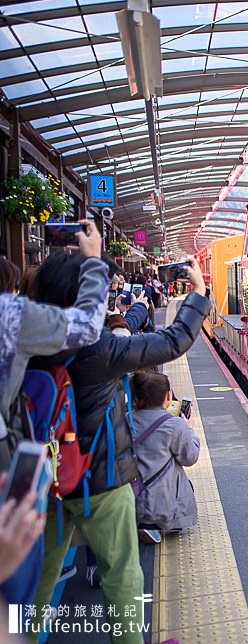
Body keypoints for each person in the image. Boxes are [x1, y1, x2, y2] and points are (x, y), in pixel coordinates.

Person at [29, 257, 209, 644]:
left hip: (46, 480)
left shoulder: (26, 341)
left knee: (40, 575)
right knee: (123, 574)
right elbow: (173, 340)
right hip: (101, 481)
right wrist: (198, 292)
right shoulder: (98, 348)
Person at [0, 221, 107, 614]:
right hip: (8, 464)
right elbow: (87, 327)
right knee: (15, 582)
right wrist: (93, 262)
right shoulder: (10, 315)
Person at [131, 372, 200, 538]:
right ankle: (168, 522)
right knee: (182, 480)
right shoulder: (174, 424)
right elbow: (189, 457)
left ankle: (145, 522)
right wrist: (189, 429)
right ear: (168, 396)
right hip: (163, 498)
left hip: (132, 496)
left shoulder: (126, 419)